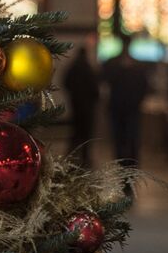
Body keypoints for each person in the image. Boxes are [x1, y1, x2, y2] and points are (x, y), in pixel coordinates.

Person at [100, 43, 150, 166]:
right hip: (129, 108)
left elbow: (104, 82)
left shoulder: (112, 64)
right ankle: (131, 161)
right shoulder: (138, 67)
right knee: (130, 137)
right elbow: (145, 86)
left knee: (121, 138)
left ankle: (122, 161)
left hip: (120, 108)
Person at [63, 39, 100, 167]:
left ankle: (71, 155)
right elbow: (95, 88)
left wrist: (73, 95)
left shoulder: (72, 67)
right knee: (86, 133)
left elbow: (66, 82)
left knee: (76, 132)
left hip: (76, 105)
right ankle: (85, 158)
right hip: (88, 107)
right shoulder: (88, 68)